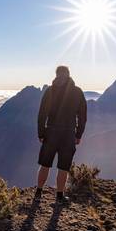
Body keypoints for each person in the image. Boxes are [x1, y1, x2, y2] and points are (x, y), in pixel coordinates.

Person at [35, 65, 87, 204]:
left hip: (51, 132)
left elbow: (42, 114)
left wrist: (41, 132)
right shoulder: (77, 92)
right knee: (63, 166)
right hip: (68, 134)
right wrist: (78, 134)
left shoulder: (50, 91)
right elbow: (82, 116)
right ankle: (59, 196)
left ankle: (38, 192)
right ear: (69, 74)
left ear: (56, 74)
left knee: (45, 164)